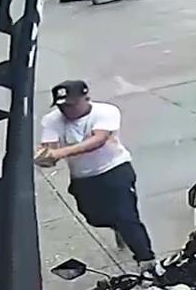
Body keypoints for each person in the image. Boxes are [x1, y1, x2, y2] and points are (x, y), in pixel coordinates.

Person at [36, 80, 156, 272]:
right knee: (94, 218)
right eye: (62, 105)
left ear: (86, 98)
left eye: (71, 104)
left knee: (127, 217)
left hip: (115, 169)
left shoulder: (106, 112)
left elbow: (98, 140)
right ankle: (118, 226)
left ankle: (147, 262)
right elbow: (49, 149)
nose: (67, 110)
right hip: (83, 178)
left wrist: (60, 153)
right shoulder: (52, 120)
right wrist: (43, 157)